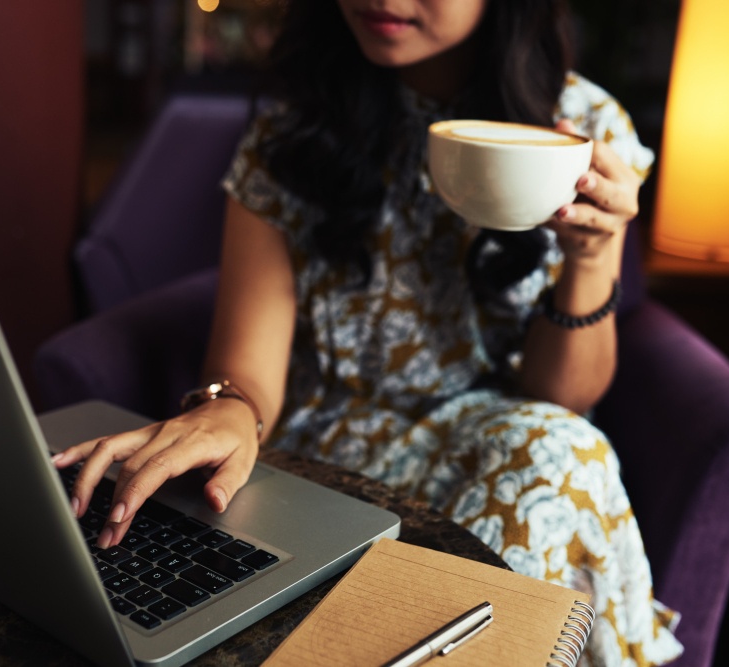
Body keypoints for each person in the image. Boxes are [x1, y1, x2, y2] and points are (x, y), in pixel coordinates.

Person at [53, 1, 684, 664]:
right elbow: (249, 366)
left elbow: (561, 396)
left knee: (560, 447)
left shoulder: (581, 130)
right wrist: (229, 407)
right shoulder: (299, 119)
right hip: (330, 451)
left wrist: (589, 257)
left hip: (495, 446)